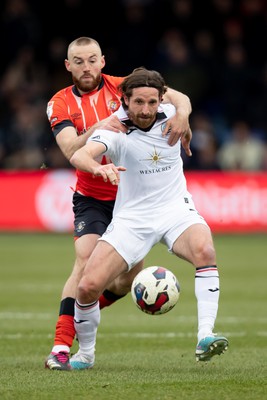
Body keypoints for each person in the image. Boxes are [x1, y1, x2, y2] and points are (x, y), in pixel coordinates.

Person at [45, 37, 192, 370]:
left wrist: (182, 114)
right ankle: (60, 347)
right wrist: (99, 128)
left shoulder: (124, 87)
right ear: (68, 66)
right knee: (84, 262)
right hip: (93, 196)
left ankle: (84, 313)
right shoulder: (60, 103)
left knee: (125, 281)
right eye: (78, 61)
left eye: (92, 60)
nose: (86, 67)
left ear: (103, 61)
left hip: (133, 200)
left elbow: (177, 96)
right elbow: (70, 151)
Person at [68, 67, 229, 370]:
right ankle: (86, 354)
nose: (146, 110)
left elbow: (183, 102)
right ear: (125, 100)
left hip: (174, 209)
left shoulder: (172, 114)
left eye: (152, 103)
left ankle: (205, 335)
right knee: (88, 286)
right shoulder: (115, 128)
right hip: (132, 218)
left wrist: (183, 114)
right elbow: (80, 155)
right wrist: (97, 167)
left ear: (160, 101)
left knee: (205, 251)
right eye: (138, 102)